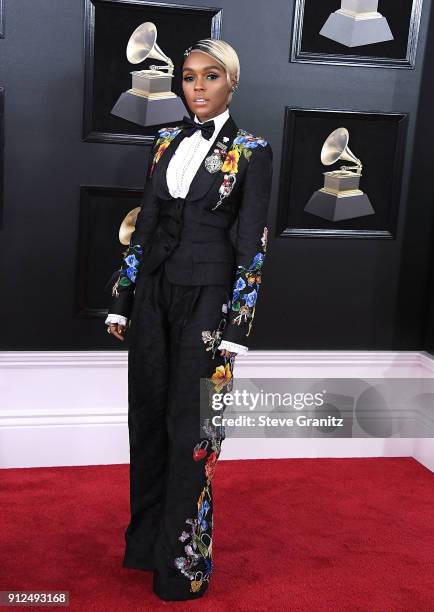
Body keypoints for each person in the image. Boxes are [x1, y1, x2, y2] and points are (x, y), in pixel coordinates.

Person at [104, 38, 273, 601]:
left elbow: (252, 241)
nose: (196, 86)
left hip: (209, 301)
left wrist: (238, 328)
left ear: (232, 84)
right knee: (147, 417)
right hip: (153, 293)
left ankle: (184, 567)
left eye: (210, 76)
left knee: (194, 431)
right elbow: (146, 223)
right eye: (188, 76)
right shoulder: (164, 141)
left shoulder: (251, 150)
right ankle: (146, 547)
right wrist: (122, 298)